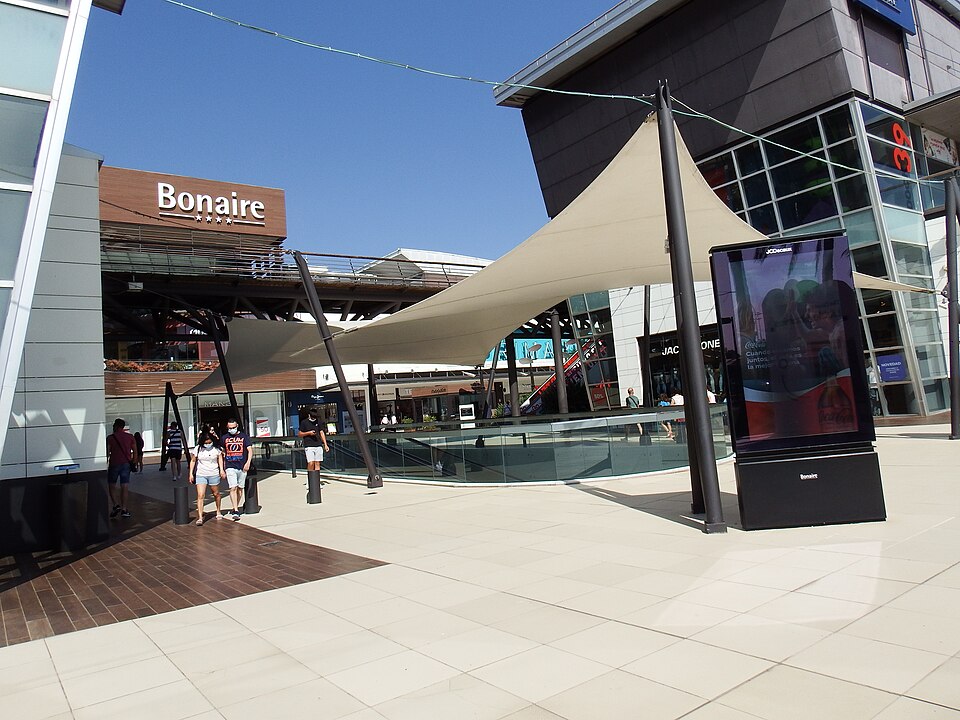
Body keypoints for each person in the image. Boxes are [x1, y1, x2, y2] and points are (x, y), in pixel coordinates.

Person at [188, 431, 225, 526]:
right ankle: (200, 517)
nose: (208, 444)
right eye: (206, 443)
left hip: (213, 473)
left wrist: (222, 470)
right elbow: (193, 460)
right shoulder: (198, 449)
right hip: (201, 473)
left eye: (209, 442)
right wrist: (191, 474)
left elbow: (220, 458)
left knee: (216, 493)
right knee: (200, 495)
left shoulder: (216, 449)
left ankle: (218, 510)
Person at [220, 417, 251, 521]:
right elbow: (222, 452)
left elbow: (250, 450)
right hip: (230, 466)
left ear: (237, 426)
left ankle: (235, 506)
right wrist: (222, 467)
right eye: (230, 428)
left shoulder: (244, 437)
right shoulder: (224, 438)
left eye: (233, 427)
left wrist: (248, 463)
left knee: (240, 488)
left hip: (242, 466)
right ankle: (236, 509)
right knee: (233, 487)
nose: (231, 429)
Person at [106, 418, 138, 519]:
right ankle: (124, 509)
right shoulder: (130, 437)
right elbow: (135, 451)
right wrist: (134, 461)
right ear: (123, 427)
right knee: (124, 486)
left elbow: (107, 452)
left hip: (114, 463)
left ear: (115, 426)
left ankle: (116, 505)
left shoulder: (110, 438)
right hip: (126, 464)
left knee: (111, 485)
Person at [298, 407, 330, 473]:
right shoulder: (304, 422)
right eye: (312, 417)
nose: (314, 418)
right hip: (309, 445)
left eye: (315, 417)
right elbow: (300, 434)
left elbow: (321, 432)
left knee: (317, 463)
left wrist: (325, 444)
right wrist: (308, 433)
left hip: (318, 444)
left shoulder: (319, 421)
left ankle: (316, 480)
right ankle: (310, 478)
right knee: (311, 463)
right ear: (309, 415)